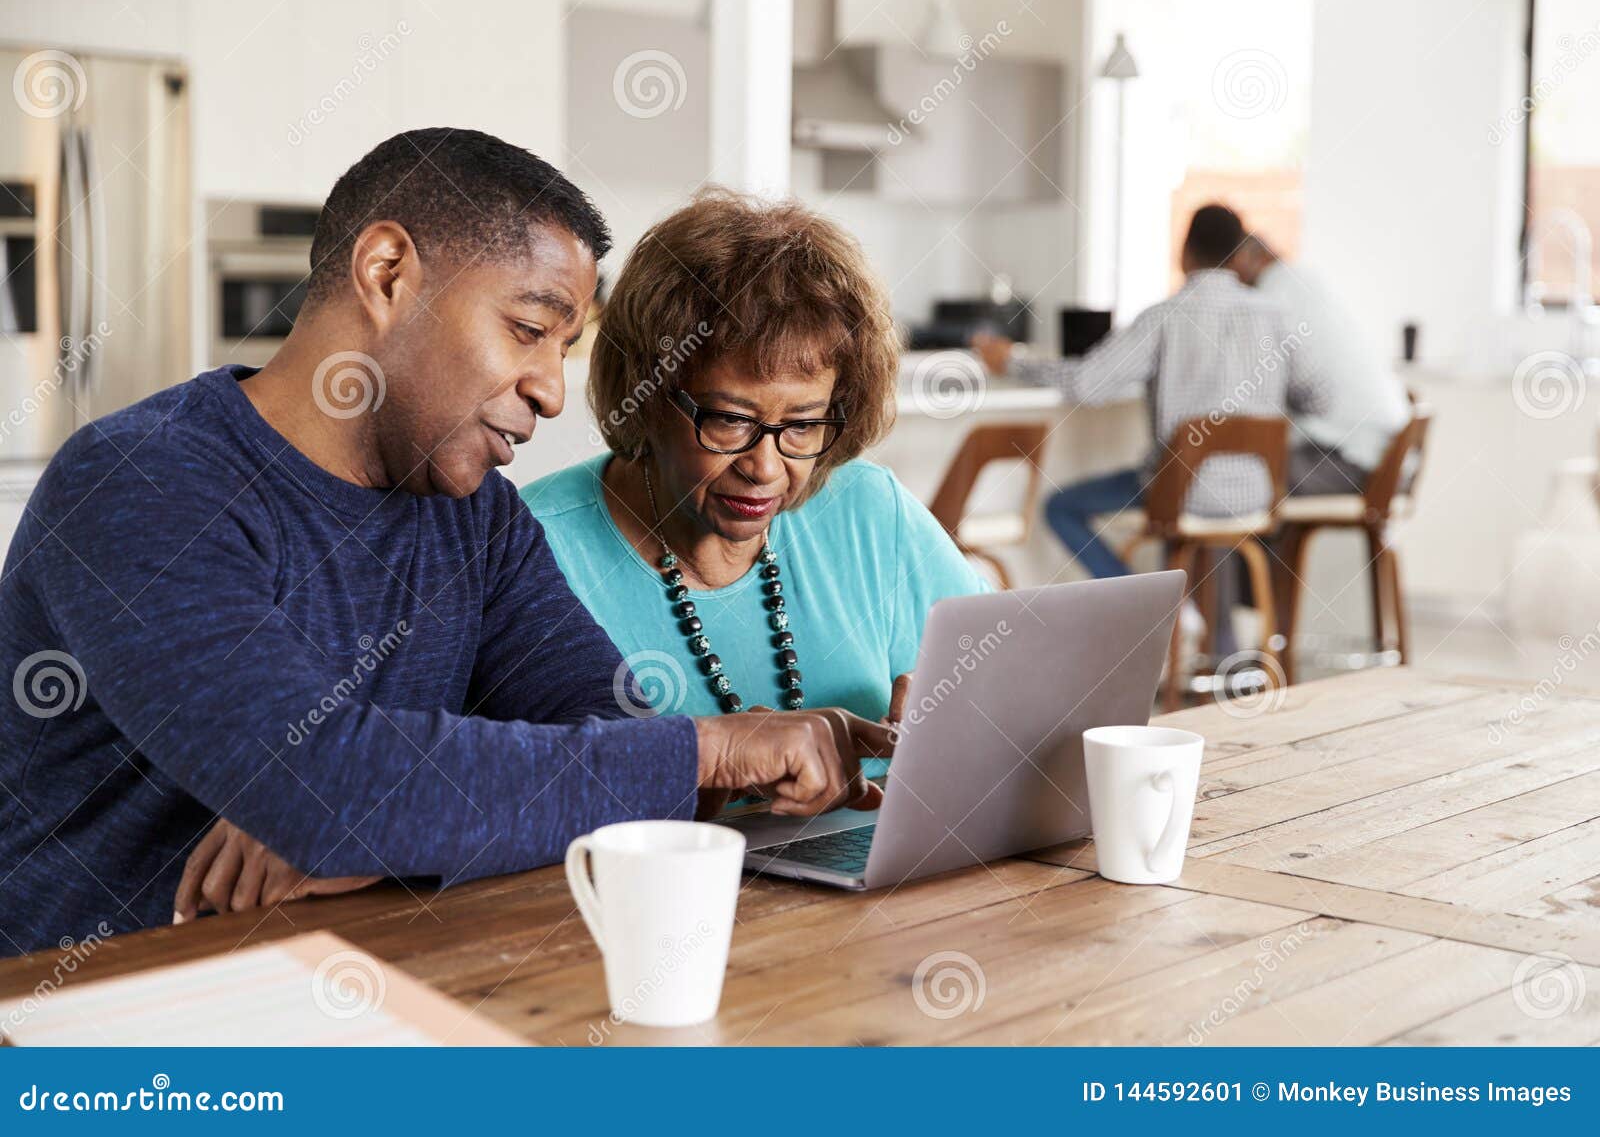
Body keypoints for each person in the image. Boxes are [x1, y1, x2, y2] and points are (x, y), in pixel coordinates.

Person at [0, 129, 889, 957]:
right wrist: (715, 746)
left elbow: (614, 737)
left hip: (359, 989)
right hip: (100, 1021)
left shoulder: (476, 517)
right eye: (530, 329)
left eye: (566, 346)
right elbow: (323, 782)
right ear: (387, 274)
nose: (550, 388)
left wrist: (396, 828)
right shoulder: (139, 483)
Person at [521, 190, 987, 741]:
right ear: (648, 395)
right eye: (729, 420)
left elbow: (1014, 678)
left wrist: (968, 715)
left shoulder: (869, 510)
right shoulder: (529, 544)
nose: (765, 468)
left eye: (804, 425)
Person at [972, 203, 1329, 584]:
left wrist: (1012, 361)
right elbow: (1315, 396)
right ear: (1240, 257)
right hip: (1256, 496)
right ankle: (1200, 627)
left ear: (1184, 252)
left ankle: (1154, 605)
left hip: (1182, 495)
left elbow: (1087, 384)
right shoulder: (1275, 317)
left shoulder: (1165, 318)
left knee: (1060, 507)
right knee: (1197, 507)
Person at [1230, 234, 1411, 494]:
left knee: (1234, 480)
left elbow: (1261, 391)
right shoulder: (1305, 280)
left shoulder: (1273, 294)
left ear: (1246, 260)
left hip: (1356, 463)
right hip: (1386, 456)